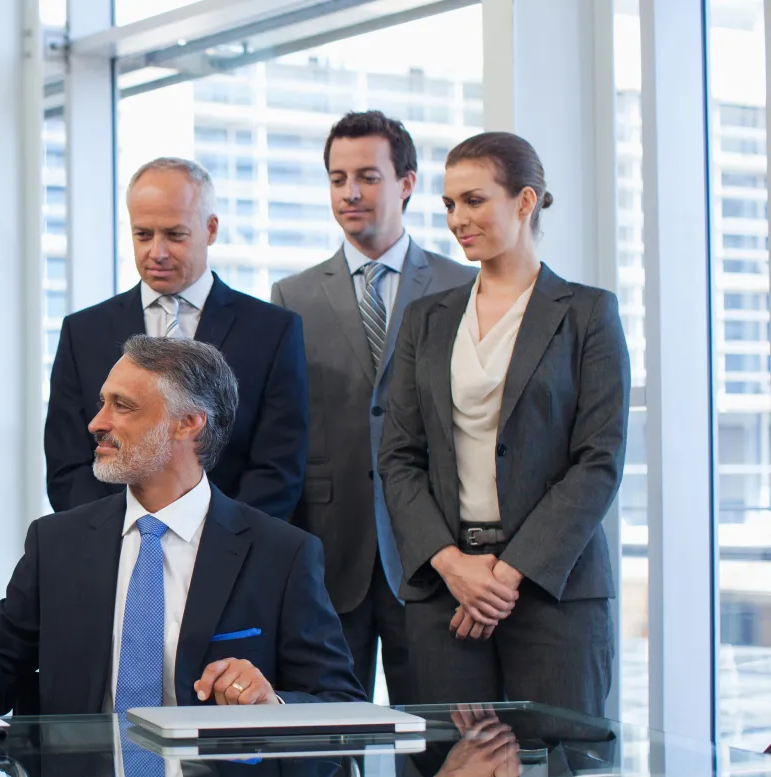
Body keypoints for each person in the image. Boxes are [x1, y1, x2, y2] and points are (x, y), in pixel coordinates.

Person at [0, 335, 363, 717]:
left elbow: (341, 701)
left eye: (122, 406)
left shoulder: (282, 554)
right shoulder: (56, 543)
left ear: (188, 423)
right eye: (103, 402)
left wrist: (271, 704)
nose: (97, 423)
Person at [379, 132, 630, 717]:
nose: (457, 220)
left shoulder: (589, 313)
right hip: (446, 590)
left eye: (474, 201)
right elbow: (398, 457)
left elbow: (598, 461)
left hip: (553, 589)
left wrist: (506, 575)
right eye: (449, 205)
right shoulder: (425, 319)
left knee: (560, 768)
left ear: (525, 202)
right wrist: (452, 565)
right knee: (451, 768)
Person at [271, 111, 476, 706]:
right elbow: (286, 427)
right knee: (329, 733)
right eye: (337, 179)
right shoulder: (293, 296)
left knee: (440, 730)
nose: (350, 193)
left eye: (367, 176)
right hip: (330, 545)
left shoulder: (461, 286)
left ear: (407, 183)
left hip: (435, 547)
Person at [46, 157, 308, 520]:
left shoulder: (272, 331)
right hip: (112, 542)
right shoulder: (83, 332)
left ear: (211, 229)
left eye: (175, 235)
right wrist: (121, 535)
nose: (157, 252)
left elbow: (278, 468)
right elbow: (67, 466)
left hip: (232, 543)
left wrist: (215, 539)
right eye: (143, 235)